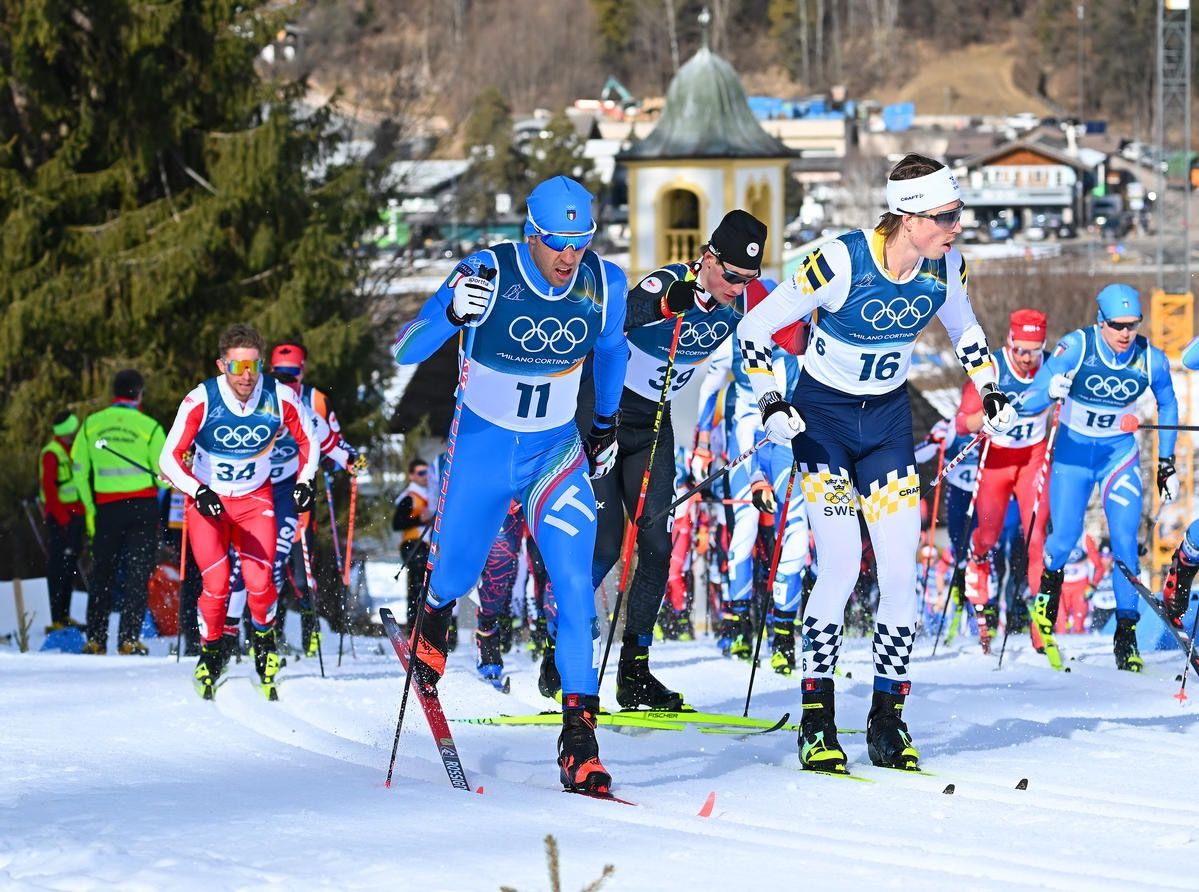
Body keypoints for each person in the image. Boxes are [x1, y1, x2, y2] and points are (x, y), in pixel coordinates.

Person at [734, 154, 1014, 774]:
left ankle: (887, 718)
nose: (957, 225)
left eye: (958, 213)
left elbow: (966, 332)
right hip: (824, 425)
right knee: (838, 568)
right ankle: (816, 719)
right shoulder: (840, 261)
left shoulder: (945, 265)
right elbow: (753, 329)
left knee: (900, 576)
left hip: (886, 427)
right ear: (909, 217)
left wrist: (990, 389)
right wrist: (770, 400)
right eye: (946, 215)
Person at [391, 175, 628, 794]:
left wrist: (605, 423)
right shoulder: (487, 273)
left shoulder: (604, 284)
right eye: (557, 244)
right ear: (531, 234)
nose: (569, 258)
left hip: (555, 453)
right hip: (483, 451)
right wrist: (449, 314)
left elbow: (612, 353)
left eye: (581, 243)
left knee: (575, 588)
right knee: (456, 575)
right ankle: (434, 616)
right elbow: (404, 350)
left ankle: (579, 740)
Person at [551, 209, 763, 710]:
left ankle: (634, 671)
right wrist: (668, 304)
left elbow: (784, 322)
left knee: (657, 546)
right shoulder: (671, 281)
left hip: (653, 425)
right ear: (708, 258)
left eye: (747, 279)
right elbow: (622, 314)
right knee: (604, 547)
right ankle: (562, 651)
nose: (738, 288)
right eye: (732, 275)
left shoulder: (740, 303)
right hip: (604, 415)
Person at [1023, 284, 1178, 672]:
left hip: (1118, 457)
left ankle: (1126, 636)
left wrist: (1166, 463)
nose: (1125, 333)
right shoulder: (1078, 347)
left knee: (1125, 542)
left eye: (1132, 325)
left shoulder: (1150, 359)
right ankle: (1045, 609)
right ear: (1100, 321)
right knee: (1064, 538)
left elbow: (1169, 401)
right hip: (1074, 457)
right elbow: (1032, 397)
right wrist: (1050, 391)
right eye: (1117, 325)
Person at [159, 323, 318, 699]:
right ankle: (212, 653)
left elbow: (309, 439)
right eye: (237, 367)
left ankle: (264, 646)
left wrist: (304, 481)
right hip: (210, 506)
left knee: (260, 583)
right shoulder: (201, 399)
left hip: (254, 502)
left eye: (253, 366)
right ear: (222, 365)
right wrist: (197, 490)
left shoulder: (279, 396)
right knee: (216, 586)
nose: (246, 376)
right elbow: (168, 457)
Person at [957, 309, 1053, 647]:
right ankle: (978, 561)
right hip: (996, 462)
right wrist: (985, 419)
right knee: (988, 534)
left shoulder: (1051, 366)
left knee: (1037, 537)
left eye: (1035, 351)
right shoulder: (993, 369)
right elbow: (961, 423)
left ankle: (1041, 619)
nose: (1027, 358)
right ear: (1010, 343)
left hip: (1032, 460)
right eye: (1021, 350)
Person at [72, 370, 167, 655]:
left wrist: (90, 508)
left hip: (106, 509)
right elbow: (164, 477)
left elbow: (79, 470)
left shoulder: (91, 424)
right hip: (142, 508)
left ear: (114, 392)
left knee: (102, 574)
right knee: (137, 574)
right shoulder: (150, 427)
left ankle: (95, 640)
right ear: (139, 393)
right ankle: (129, 640)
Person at [40, 410, 85, 631]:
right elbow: (49, 489)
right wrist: (63, 519)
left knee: (70, 568)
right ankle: (55, 616)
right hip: (61, 519)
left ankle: (64, 615)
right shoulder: (52, 452)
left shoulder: (70, 451)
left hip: (75, 516)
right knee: (58, 568)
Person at [393, 458, 434, 626]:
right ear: (411, 476)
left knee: (425, 587)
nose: (425, 476)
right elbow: (397, 523)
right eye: (421, 473)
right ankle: (414, 626)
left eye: (427, 472)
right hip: (413, 545)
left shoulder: (430, 494)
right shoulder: (409, 497)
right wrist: (419, 519)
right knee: (417, 586)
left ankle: (423, 626)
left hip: (426, 546)